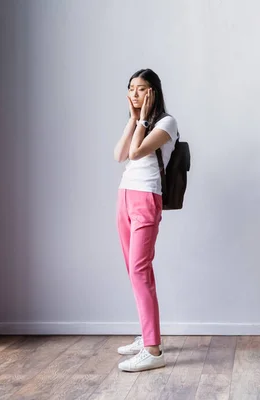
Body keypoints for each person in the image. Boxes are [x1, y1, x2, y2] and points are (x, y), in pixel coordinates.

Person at [113, 68, 178, 372]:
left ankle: (153, 351)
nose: (135, 94)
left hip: (147, 198)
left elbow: (137, 152)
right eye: (131, 88)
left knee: (140, 270)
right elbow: (119, 155)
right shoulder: (136, 121)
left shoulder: (167, 122)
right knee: (135, 270)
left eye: (141, 89)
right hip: (125, 195)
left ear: (154, 92)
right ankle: (148, 335)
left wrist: (141, 119)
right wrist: (132, 119)